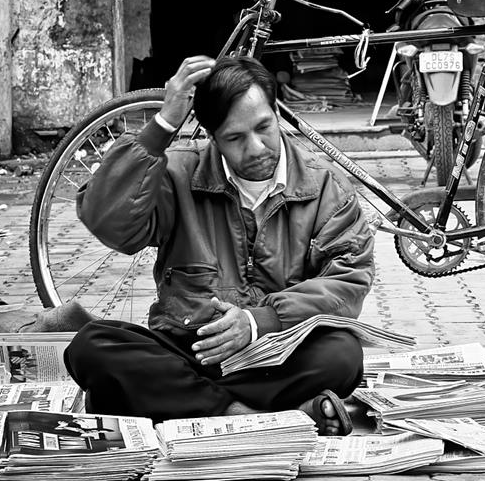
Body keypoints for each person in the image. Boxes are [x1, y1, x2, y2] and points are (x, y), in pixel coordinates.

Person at [64, 56, 375, 434]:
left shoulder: (326, 189)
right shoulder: (179, 174)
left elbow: (348, 282)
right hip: (190, 351)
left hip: (277, 352)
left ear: (277, 113)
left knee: (342, 354)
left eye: (264, 128)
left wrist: (260, 321)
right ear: (213, 136)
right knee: (92, 345)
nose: (257, 147)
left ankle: (177, 403)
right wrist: (160, 128)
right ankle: (252, 419)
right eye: (236, 138)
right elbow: (106, 220)